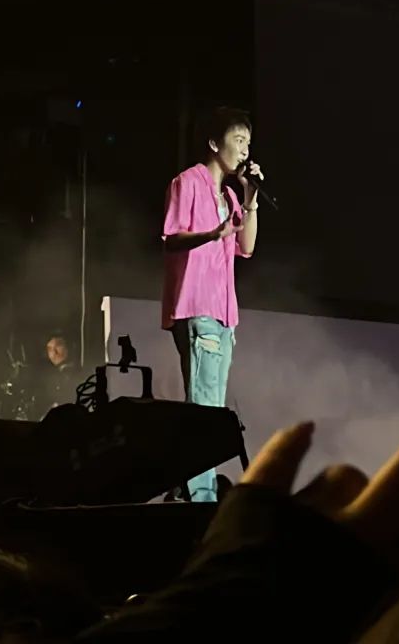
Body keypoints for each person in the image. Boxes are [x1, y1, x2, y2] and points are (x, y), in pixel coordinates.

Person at [161, 107, 261, 503]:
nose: (245, 150)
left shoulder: (231, 196)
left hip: (224, 313)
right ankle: (198, 496)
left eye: (248, 142)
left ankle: (189, 489)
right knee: (203, 408)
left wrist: (250, 199)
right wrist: (211, 234)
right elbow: (171, 238)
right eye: (238, 140)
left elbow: (247, 246)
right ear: (214, 143)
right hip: (197, 306)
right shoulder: (187, 182)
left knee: (213, 410)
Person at [41, 332, 77, 411]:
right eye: (50, 349)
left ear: (69, 347)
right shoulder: (48, 378)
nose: (54, 352)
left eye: (58, 346)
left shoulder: (80, 373)